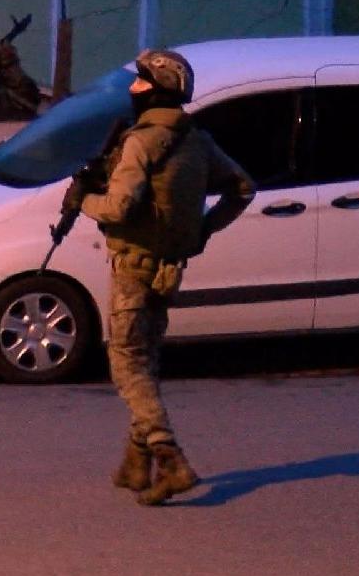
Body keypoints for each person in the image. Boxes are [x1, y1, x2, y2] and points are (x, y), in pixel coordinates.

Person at [61, 49, 256, 505]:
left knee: (127, 364)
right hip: (169, 267)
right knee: (145, 361)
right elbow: (243, 188)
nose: (132, 89)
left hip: (134, 265)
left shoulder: (142, 142)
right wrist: (203, 229)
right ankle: (137, 462)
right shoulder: (196, 140)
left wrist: (83, 201)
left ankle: (170, 458)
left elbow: (118, 208)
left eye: (140, 81)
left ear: (154, 90)